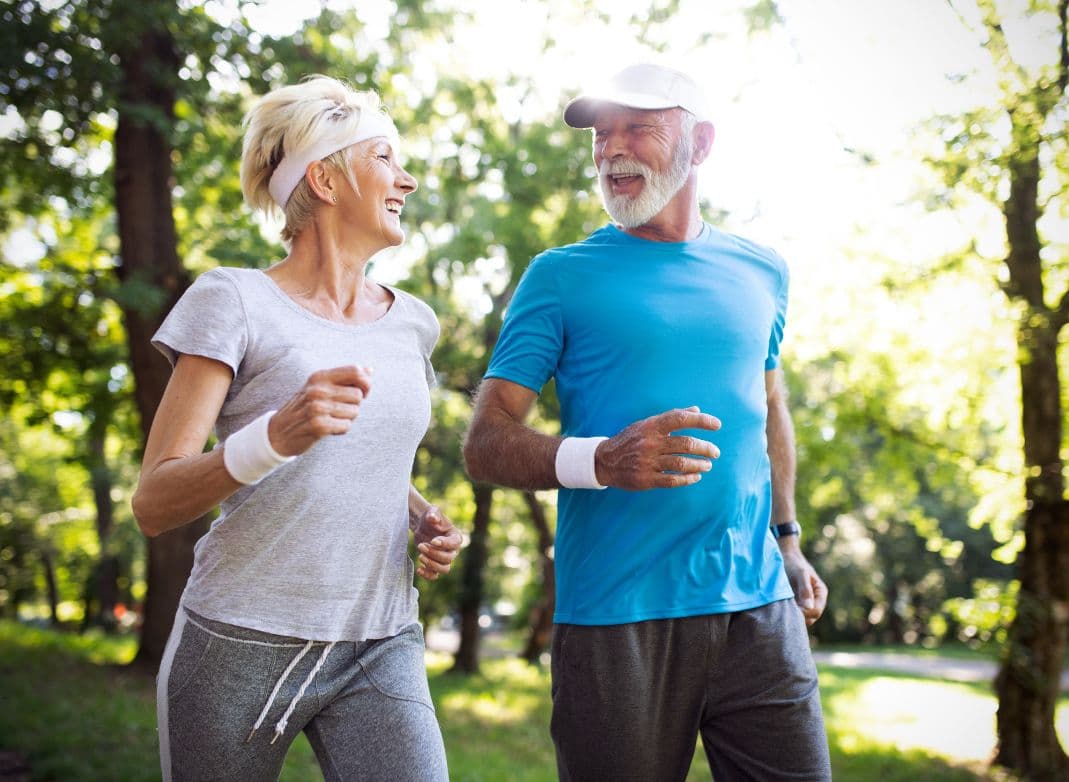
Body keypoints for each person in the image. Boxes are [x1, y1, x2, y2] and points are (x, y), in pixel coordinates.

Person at [463, 63, 832, 781]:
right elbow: (484, 442)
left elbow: (769, 407)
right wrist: (596, 461)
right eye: (601, 134)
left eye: (637, 127)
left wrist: (787, 538)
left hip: (757, 603)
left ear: (699, 143)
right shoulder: (560, 275)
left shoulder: (762, 271)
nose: (610, 149)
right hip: (615, 615)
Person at [131, 75, 462, 782]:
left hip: (382, 638)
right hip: (239, 639)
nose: (406, 179)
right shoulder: (234, 300)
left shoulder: (413, 322)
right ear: (325, 177)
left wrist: (421, 517)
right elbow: (153, 502)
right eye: (385, 158)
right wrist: (272, 438)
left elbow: (362, 459)